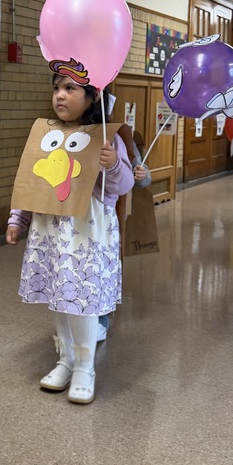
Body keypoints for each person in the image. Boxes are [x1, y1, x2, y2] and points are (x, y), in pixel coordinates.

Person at [6, 73, 134, 404]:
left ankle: (85, 367)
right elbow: (32, 182)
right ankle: (66, 360)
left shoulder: (107, 136)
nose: (60, 96)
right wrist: (17, 219)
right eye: (57, 89)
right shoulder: (46, 134)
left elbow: (122, 187)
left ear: (92, 96)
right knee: (58, 297)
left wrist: (114, 164)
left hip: (86, 232)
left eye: (70, 89)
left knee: (82, 300)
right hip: (50, 230)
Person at [98, 126, 151, 342]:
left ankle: (101, 318)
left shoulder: (119, 134)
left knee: (104, 265)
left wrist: (142, 173)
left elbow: (140, 177)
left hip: (108, 212)